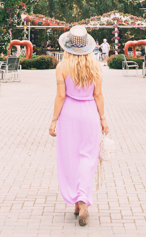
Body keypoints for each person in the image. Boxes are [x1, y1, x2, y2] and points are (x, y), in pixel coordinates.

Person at [49, 25, 109, 226]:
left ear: (67, 46)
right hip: (90, 113)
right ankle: (82, 200)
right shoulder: (95, 67)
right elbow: (98, 95)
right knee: (87, 157)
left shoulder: (62, 68)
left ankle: (77, 199)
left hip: (69, 115)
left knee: (70, 157)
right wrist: (102, 118)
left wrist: (54, 119)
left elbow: (60, 96)